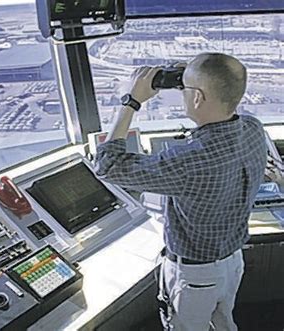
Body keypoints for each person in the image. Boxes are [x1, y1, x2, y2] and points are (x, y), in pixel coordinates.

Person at [94, 53, 267, 331]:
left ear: (197, 98)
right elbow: (220, 94)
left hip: (196, 276)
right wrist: (197, 76)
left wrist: (132, 101)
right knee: (224, 322)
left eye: (186, 91)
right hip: (233, 263)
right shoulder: (253, 129)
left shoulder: (188, 161)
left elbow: (108, 166)